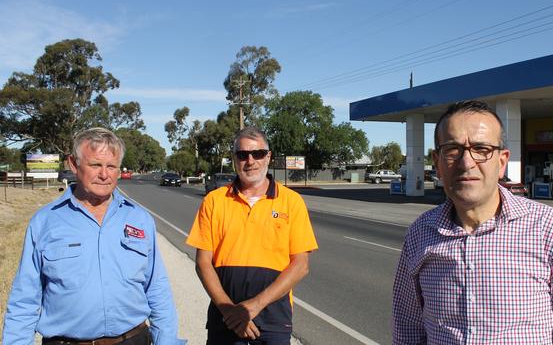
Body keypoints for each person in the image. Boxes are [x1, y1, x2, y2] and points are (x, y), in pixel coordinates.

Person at [392, 101, 553, 344]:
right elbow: (407, 327)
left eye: (482, 149)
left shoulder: (551, 229)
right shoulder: (420, 232)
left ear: (502, 161)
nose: (467, 162)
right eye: (453, 149)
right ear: (438, 162)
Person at [3, 127, 185, 345]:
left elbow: (157, 288)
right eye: (96, 165)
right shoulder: (45, 222)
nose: (104, 174)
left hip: (133, 340)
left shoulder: (140, 219)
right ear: (74, 164)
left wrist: (166, 341)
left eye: (111, 166)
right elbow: (25, 299)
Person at [186, 126, 318, 345]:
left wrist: (254, 306)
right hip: (224, 319)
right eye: (242, 154)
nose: (250, 161)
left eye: (257, 154)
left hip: (274, 320)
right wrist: (229, 310)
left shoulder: (292, 201)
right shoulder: (214, 200)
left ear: (268, 157)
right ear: (234, 159)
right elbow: (203, 263)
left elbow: (300, 265)